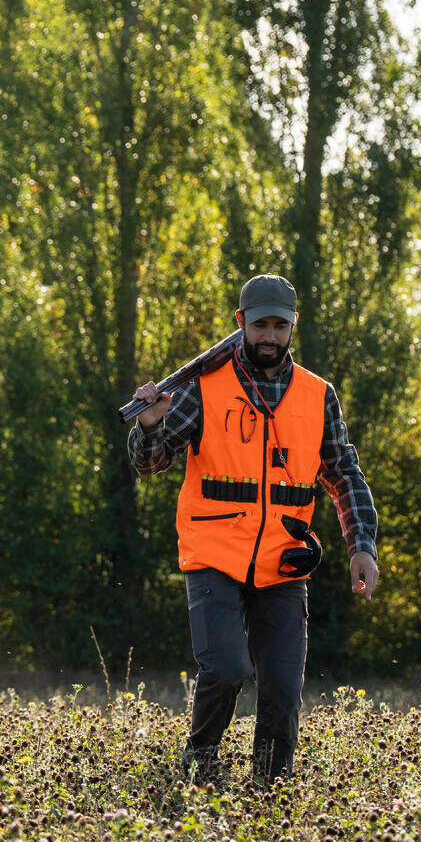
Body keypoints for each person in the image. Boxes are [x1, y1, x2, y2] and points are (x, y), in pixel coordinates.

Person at [128, 272, 380, 789]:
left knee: (284, 689)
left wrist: (362, 545)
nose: (269, 335)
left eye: (279, 326)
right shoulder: (202, 388)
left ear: (293, 329)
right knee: (226, 669)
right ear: (240, 323)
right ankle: (199, 767)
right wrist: (150, 424)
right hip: (213, 555)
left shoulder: (318, 396)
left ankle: (269, 789)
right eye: (259, 324)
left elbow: (343, 475)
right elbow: (149, 463)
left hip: (284, 563)